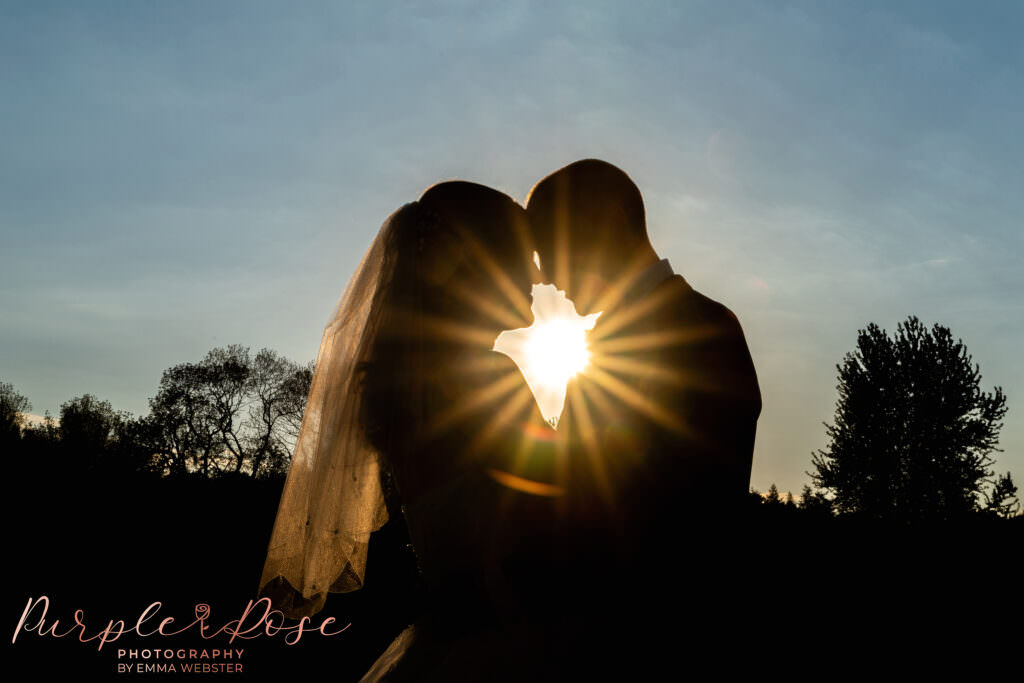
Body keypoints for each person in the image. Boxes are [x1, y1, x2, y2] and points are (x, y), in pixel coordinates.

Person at [259, 180, 566, 681]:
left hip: (450, 633)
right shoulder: (480, 379)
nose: (536, 272)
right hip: (506, 643)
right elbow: (542, 526)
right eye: (521, 253)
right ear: (476, 262)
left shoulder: (412, 378)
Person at [524, 159, 763, 662]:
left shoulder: (703, 329)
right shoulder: (602, 347)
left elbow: (685, 519)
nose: (545, 276)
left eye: (550, 247)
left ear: (608, 221)